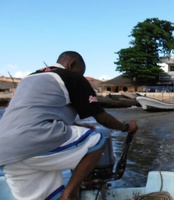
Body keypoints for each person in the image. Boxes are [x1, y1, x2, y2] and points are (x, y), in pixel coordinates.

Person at [0, 51, 138, 200]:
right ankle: (69, 194)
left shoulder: (29, 78)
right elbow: (101, 117)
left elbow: (34, 113)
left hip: (5, 152)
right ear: (72, 64)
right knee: (97, 140)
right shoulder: (71, 77)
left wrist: (76, 124)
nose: (81, 75)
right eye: (81, 72)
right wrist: (126, 127)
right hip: (34, 141)